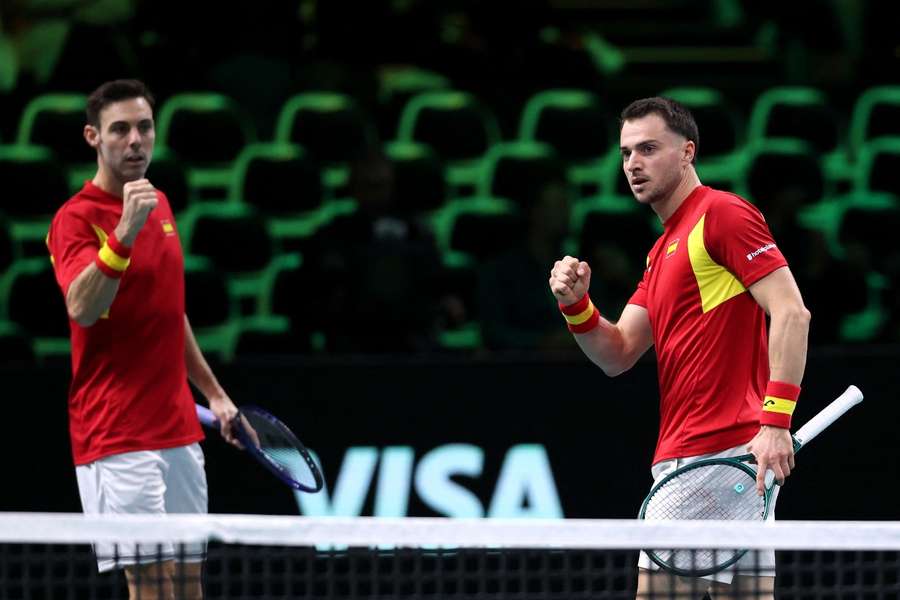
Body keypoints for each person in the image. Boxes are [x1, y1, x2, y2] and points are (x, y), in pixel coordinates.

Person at [548, 97, 810, 599]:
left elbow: (792, 313)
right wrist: (577, 306)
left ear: (687, 151)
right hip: (727, 459)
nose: (633, 164)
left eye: (648, 148)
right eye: (626, 153)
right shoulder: (661, 251)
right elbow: (618, 352)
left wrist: (776, 421)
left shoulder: (721, 214)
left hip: (710, 457)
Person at [46, 79, 240, 600]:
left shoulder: (162, 204)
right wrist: (124, 234)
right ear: (93, 137)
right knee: (151, 583)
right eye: (120, 130)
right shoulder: (75, 220)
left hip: (177, 427)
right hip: (116, 433)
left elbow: (168, 312)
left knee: (189, 582)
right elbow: (82, 308)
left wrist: (214, 394)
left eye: (144, 127)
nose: (135, 140)